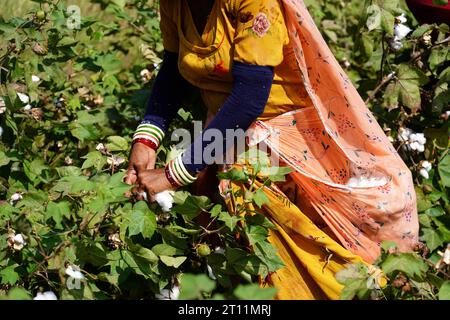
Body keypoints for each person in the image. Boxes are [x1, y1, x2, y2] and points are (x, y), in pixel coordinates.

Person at [125, 0, 419, 299]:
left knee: (319, 263)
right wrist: (147, 136)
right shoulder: (175, 3)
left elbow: (249, 99)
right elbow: (175, 67)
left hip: (288, 146)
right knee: (246, 262)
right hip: (224, 136)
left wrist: (177, 173)